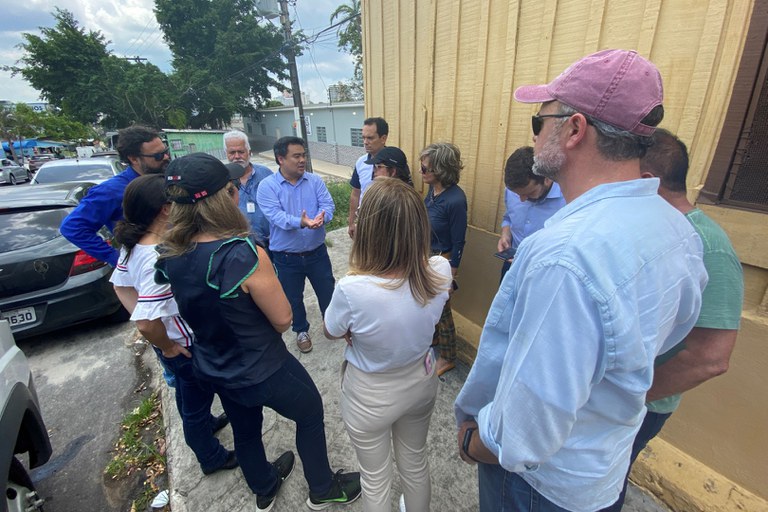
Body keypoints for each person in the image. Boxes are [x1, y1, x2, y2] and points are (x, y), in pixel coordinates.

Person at [453, 49, 708, 512]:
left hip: (541, 487)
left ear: (573, 129)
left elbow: (525, 432)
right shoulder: (677, 229)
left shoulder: (566, 256)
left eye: (540, 121)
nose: (533, 135)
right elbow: (676, 328)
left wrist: (473, 441)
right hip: (601, 472)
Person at [156, 152, 361, 512]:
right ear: (226, 197)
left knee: (246, 428)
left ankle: (264, 487)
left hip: (216, 365)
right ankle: (323, 488)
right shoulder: (242, 253)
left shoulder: (169, 252)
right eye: (232, 186)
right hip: (263, 366)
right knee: (310, 412)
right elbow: (283, 319)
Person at [604, 129, 744, 511]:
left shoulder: (708, 244)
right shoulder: (647, 230)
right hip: (612, 394)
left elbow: (710, 357)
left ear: (648, 181)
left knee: (604, 487)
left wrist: (626, 396)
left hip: (639, 404)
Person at [324, 179, 451, 511]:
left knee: (376, 478)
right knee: (415, 462)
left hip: (370, 394)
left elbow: (330, 329)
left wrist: (353, 329)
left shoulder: (353, 288)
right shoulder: (439, 270)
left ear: (368, 229)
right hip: (421, 380)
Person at [110, 174, 236, 476]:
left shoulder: (135, 245)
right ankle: (211, 457)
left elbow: (121, 286)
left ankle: (207, 423)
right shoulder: (157, 255)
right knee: (192, 405)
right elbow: (145, 321)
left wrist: (159, 338)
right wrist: (166, 344)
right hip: (187, 346)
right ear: (166, 209)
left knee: (189, 398)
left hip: (175, 342)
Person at [256, 136, 336, 354]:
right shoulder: (267, 187)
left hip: (317, 253)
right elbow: (275, 216)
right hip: (286, 256)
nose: (302, 160)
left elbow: (328, 205)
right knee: (293, 297)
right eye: (297, 156)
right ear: (281, 159)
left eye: (304, 155)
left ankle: (331, 324)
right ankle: (301, 330)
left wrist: (322, 217)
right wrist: (300, 222)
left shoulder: (315, 181)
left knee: (327, 289)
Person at [60, 125, 170, 267]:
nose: (166, 158)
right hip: (148, 268)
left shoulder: (167, 178)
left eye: (166, 152)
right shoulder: (112, 191)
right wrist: (117, 259)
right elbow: (72, 227)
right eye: (158, 156)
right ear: (134, 159)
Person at [420, 142, 467, 377]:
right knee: (431, 305)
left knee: (444, 311)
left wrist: (452, 275)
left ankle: (448, 356)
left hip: (443, 260)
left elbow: (459, 241)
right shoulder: (433, 190)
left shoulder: (456, 200)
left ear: (441, 170)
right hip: (428, 257)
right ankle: (436, 337)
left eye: (426, 168)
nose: (422, 171)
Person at [497, 146, 565, 279]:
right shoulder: (513, 189)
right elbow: (509, 217)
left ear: (547, 178)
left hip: (543, 273)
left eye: (529, 193)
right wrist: (505, 234)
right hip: (511, 265)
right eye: (517, 195)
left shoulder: (568, 200)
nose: (522, 200)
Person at [223, 130, 274, 248]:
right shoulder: (220, 180)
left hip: (270, 242)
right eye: (232, 152)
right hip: (239, 246)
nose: (236, 156)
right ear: (226, 154)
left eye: (241, 152)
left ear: (249, 152)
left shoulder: (266, 174)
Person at [348, 117, 388, 238]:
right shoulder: (361, 162)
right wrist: (352, 222)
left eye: (370, 138)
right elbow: (356, 193)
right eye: (363, 137)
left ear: (383, 138)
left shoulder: (394, 163)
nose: (365, 142)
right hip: (364, 222)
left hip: (387, 224)